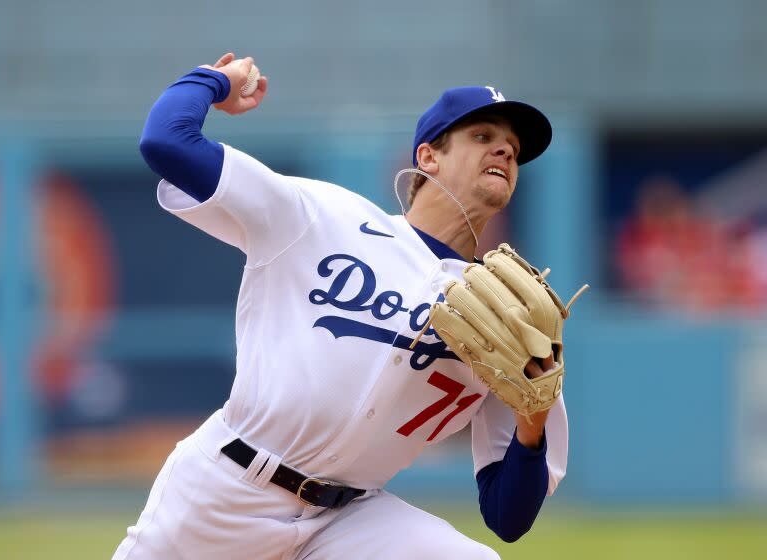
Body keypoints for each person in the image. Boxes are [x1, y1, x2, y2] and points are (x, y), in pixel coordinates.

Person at [112, 53, 567, 560]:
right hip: (226, 489)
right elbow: (166, 141)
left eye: (514, 147)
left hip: (348, 519)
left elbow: (507, 518)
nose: (505, 150)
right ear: (428, 157)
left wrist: (534, 421)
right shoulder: (323, 216)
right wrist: (216, 82)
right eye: (483, 136)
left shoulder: (508, 317)